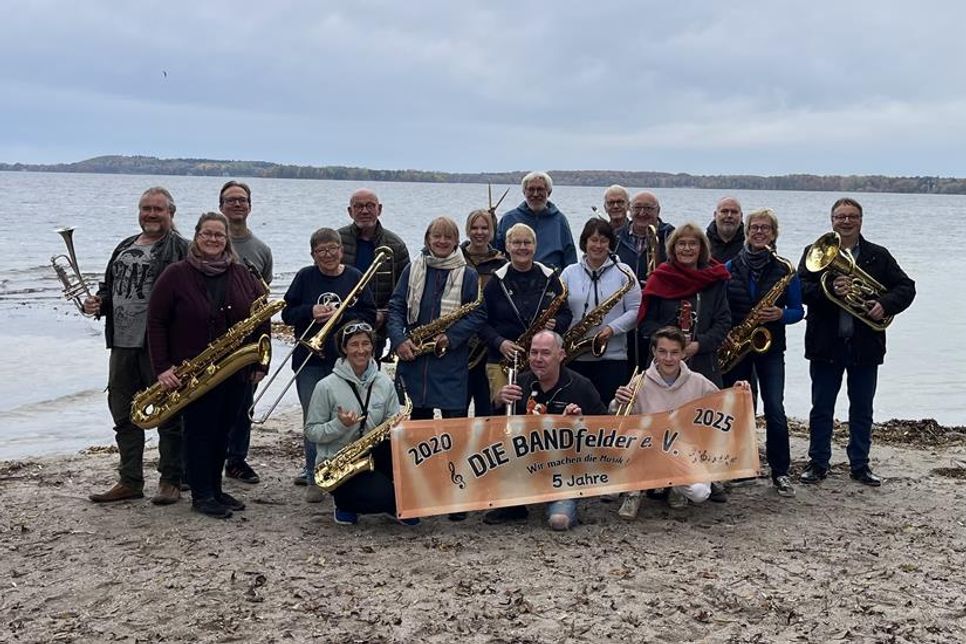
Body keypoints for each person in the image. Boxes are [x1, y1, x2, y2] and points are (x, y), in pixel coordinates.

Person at [146, 212, 270, 518]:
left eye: (219, 235)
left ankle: (215, 488)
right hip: (194, 371)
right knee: (200, 432)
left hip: (236, 371)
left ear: (227, 239)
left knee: (224, 431)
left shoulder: (242, 274)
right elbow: (156, 321)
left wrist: (260, 362)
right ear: (196, 236)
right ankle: (201, 494)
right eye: (207, 234)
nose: (213, 239)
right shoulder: (176, 274)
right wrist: (162, 367)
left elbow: (260, 318)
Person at [797, 198, 916, 487]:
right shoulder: (814, 253)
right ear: (832, 220)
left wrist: (885, 304)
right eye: (840, 217)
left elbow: (907, 287)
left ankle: (860, 465)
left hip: (865, 345)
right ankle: (818, 463)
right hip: (826, 344)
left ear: (861, 220)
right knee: (821, 407)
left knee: (862, 408)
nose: (846, 222)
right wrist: (830, 291)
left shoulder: (878, 255)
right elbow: (800, 289)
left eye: (852, 217)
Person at [85, 186, 187, 506]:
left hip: (159, 347)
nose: (151, 214)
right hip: (122, 344)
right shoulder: (124, 246)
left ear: (171, 213)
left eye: (158, 209)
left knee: (169, 414)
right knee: (122, 412)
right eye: (146, 208)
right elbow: (110, 289)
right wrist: (98, 303)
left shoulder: (181, 249)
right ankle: (129, 480)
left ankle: (170, 480)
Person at [613, 327, 750, 517]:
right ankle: (633, 493)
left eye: (674, 352)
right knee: (632, 438)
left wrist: (736, 392)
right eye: (662, 351)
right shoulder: (639, 380)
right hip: (649, 448)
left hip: (682, 450)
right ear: (654, 352)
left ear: (683, 353)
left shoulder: (698, 381)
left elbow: (722, 406)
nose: (668, 358)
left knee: (701, 493)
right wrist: (617, 401)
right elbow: (620, 419)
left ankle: (675, 486)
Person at [282, 228, 376, 500]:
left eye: (332, 248)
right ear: (313, 255)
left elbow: (368, 315)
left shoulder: (354, 277)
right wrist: (309, 311)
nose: (328, 254)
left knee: (347, 417)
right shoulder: (304, 277)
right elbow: (288, 313)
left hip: (346, 361)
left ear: (341, 249)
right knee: (314, 419)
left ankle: (343, 471)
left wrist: (342, 316)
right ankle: (314, 476)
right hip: (309, 360)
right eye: (321, 250)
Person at [486, 330, 607, 531]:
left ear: (561, 355)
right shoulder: (520, 382)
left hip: (564, 472)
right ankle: (514, 504)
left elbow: (605, 431)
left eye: (545, 353)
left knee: (559, 522)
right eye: (534, 353)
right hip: (524, 466)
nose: (538, 359)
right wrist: (498, 401)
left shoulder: (581, 386)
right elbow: (495, 431)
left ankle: (564, 502)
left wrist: (580, 422)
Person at [722, 209, 804, 497]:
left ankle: (780, 471)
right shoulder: (730, 266)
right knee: (739, 410)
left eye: (765, 228)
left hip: (771, 347)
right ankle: (738, 467)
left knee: (775, 409)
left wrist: (781, 313)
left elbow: (799, 311)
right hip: (738, 346)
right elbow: (722, 306)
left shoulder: (785, 270)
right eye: (755, 227)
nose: (759, 232)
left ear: (774, 233)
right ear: (747, 232)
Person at [304, 322, 416, 526]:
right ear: (344, 349)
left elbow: (390, 420)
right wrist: (339, 424)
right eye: (354, 344)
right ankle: (344, 503)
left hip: (371, 452)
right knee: (385, 498)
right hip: (339, 463)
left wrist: (398, 425)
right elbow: (311, 432)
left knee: (411, 465)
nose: (361, 350)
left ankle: (394, 502)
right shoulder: (326, 386)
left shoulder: (384, 382)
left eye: (366, 343)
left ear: (373, 347)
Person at [478, 223, 572, 404]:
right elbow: (481, 322)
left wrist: (556, 324)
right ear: (507, 247)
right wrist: (500, 343)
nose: (522, 247)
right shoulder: (495, 281)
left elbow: (566, 314)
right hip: (502, 360)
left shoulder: (550, 278)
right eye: (516, 243)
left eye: (527, 243)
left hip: (540, 361)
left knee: (540, 410)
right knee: (501, 413)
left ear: (535, 247)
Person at [219, 180, 274, 486]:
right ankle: (198, 462)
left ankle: (236, 460)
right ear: (221, 206)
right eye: (231, 200)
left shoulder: (261, 250)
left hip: (245, 340)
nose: (237, 205)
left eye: (242, 200)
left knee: (243, 403)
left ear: (250, 206)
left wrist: (260, 358)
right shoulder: (205, 242)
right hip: (210, 340)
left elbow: (262, 303)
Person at [637, 222, 732, 387]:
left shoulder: (714, 281)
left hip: (704, 364)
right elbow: (646, 323)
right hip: (663, 365)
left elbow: (723, 322)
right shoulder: (660, 279)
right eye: (681, 244)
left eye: (693, 244)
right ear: (673, 248)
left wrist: (698, 345)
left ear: (701, 248)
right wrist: (669, 345)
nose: (687, 248)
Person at [560, 219, 641, 403]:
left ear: (610, 244)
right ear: (584, 243)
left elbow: (636, 311)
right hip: (575, 357)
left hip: (613, 358)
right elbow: (559, 309)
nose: (598, 245)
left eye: (603, 240)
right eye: (593, 240)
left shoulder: (624, 272)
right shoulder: (568, 273)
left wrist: (611, 329)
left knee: (608, 413)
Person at [338, 188, 410, 362]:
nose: (364, 211)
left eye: (370, 206)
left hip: (377, 326)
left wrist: (384, 315)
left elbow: (406, 291)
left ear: (380, 209)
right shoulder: (337, 240)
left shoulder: (396, 245)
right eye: (358, 206)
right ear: (350, 211)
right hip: (340, 324)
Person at [616, 191, 675, 371]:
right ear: (629, 210)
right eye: (637, 208)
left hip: (659, 311)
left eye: (648, 208)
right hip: (625, 312)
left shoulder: (671, 236)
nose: (642, 213)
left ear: (659, 210)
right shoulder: (616, 238)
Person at [460, 209, 507, 417]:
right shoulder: (455, 258)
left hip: (489, 346)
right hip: (460, 343)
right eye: (475, 227)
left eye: (485, 228)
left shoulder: (501, 263)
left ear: (492, 231)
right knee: (458, 409)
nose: (479, 232)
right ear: (467, 230)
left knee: (487, 408)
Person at [494, 171, 577, 270]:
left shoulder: (559, 221)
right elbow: (495, 252)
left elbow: (570, 257)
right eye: (531, 189)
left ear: (549, 192)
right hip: (514, 279)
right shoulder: (509, 219)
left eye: (540, 189)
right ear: (524, 192)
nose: (535, 194)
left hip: (551, 280)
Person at [707, 196, 744, 262]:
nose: (729, 215)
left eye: (734, 212)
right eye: (724, 211)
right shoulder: (703, 243)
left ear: (741, 216)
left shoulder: (750, 244)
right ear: (715, 215)